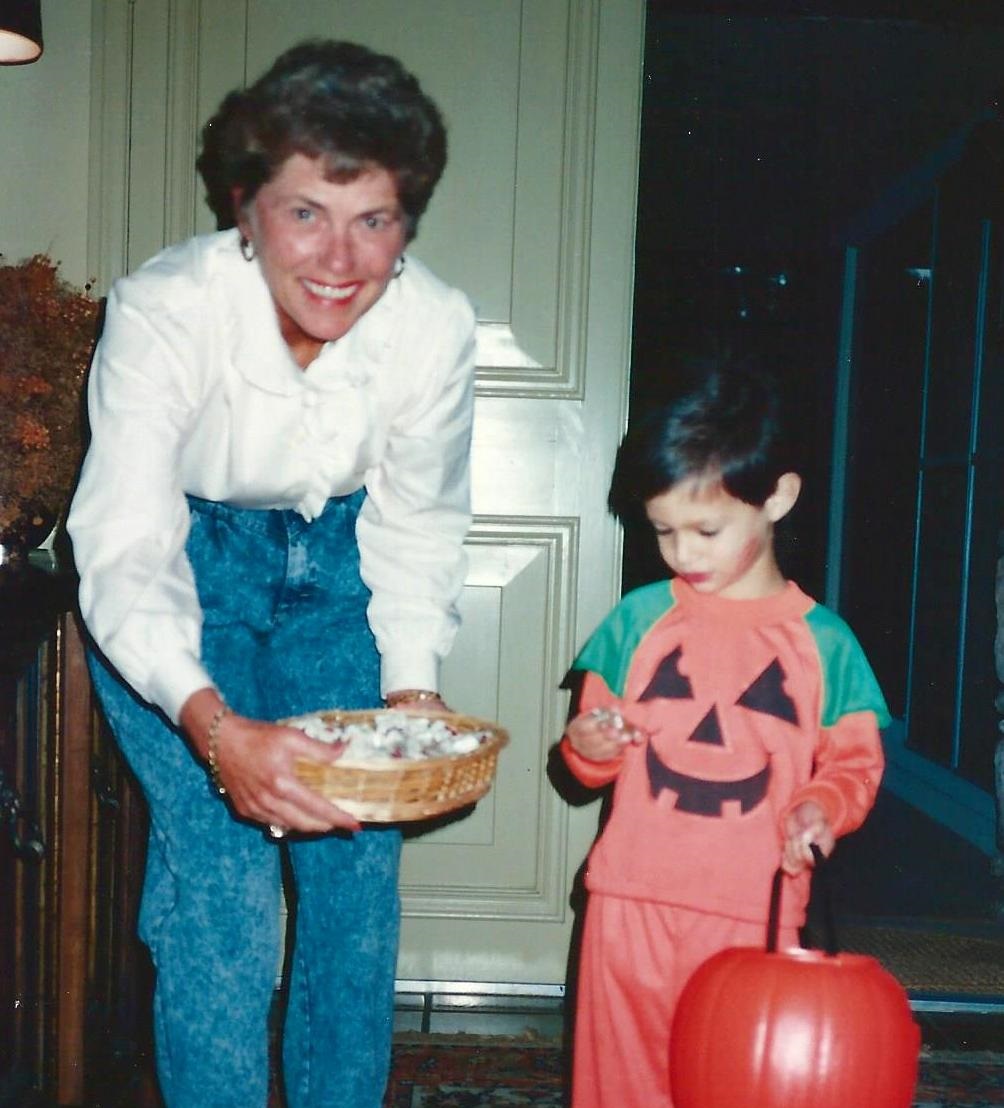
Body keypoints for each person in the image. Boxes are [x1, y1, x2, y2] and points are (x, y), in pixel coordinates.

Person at [67, 39, 476, 1108]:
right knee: (223, 893)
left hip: (336, 573)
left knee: (352, 885)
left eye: (374, 219)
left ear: (406, 223)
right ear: (246, 205)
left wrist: (412, 694)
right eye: (306, 212)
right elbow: (124, 545)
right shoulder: (163, 309)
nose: (340, 256)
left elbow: (417, 518)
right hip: (183, 577)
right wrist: (212, 725)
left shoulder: (432, 325)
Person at [558, 364, 888, 1108]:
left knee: (735, 1079)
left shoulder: (824, 644)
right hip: (629, 898)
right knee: (621, 1080)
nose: (684, 554)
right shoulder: (637, 622)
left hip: (754, 910)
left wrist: (822, 807)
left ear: (777, 497)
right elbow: (584, 764)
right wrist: (590, 746)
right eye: (664, 531)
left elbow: (856, 766)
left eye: (707, 530)